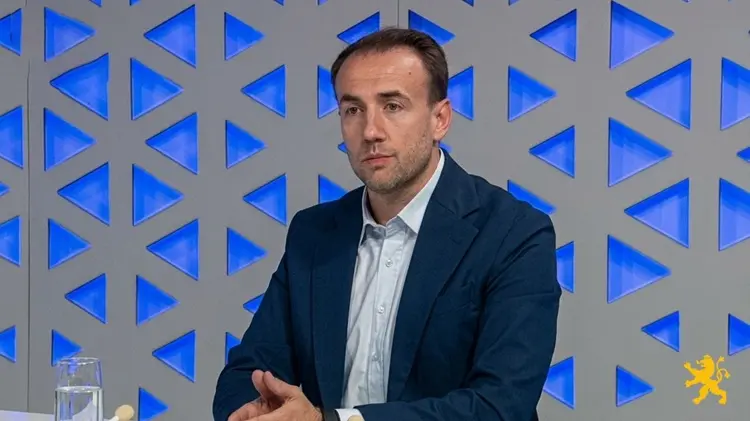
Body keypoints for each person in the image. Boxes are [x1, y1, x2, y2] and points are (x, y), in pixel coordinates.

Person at [213, 27, 561, 421]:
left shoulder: (514, 233)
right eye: (353, 110)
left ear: (440, 119)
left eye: (392, 106)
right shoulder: (313, 232)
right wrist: (254, 413)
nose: (371, 132)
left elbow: (500, 406)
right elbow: (249, 369)